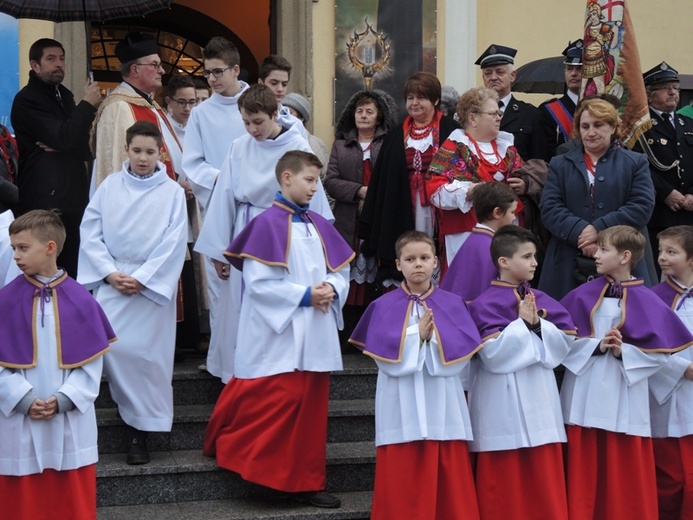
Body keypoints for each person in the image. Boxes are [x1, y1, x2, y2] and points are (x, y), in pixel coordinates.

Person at [204, 151, 352, 509]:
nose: (315, 187)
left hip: (315, 330)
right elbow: (258, 284)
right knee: (277, 403)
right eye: (309, 180)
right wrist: (305, 295)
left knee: (311, 413)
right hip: (279, 332)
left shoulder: (319, 224)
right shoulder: (265, 225)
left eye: (317, 181)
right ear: (286, 178)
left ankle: (306, 481)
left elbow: (340, 270)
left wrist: (333, 289)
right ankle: (267, 476)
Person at [193, 84, 333, 383]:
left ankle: (282, 370)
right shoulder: (239, 147)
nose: (252, 129)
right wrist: (220, 251)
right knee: (241, 305)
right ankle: (239, 374)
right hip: (247, 228)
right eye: (246, 122)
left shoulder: (297, 147)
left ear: (274, 114)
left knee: (280, 295)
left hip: (288, 234)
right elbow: (225, 196)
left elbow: (314, 199)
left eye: (258, 122)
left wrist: (320, 246)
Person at [559, 226, 693, 520]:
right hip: (586, 390)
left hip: (626, 393)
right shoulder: (580, 295)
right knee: (586, 464)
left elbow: (661, 355)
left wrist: (624, 351)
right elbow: (560, 343)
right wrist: (595, 346)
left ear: (625, 257)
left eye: (604, 250)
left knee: (625, 468)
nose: (597, 254)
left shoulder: (649, 300)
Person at [349, 230, 482, 519]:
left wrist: (430, 340)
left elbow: (459, 358)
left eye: (424, 258)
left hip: (442, 397)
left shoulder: (452, 304)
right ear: (398, 265)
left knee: (447, 465)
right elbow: (385, 361)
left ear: (436, 262)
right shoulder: (381, 306)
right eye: (410, 259)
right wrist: (416, 335)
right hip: (401, 398)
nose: (418, 264)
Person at [78, 121, 188, 465]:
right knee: (115, 350)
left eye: (150, 152)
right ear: (127, 150)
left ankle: (141, 431)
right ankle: (128, 422)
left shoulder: (171, 192)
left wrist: (141, 278)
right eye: (137, 151)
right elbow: (90, 232)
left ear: (161, 153)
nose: (143, 158)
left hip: (150, 288)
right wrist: (110, 273)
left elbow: (174, 242)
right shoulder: (110, 186)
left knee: (148, 359)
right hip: (114, 280)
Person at [0, 210, 114, 520]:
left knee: (70, 502)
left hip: (68, 421)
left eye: (23, 248)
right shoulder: (5, 301)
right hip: (18, 419)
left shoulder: (82, 300)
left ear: (50, 247)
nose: (16, 256)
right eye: (13, 249)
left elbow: (92, 364)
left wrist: (65, 399)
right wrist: (21, 398)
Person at [468, 225, 575, 520]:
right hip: (500, 399)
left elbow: (563, 345)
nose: (534, 263)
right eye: (527, 256)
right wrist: (522, 325)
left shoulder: (541, 298)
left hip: (539, 393)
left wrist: (537, 325)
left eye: (534, 257)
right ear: (503, 262)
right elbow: (491, 356)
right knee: (503, 484)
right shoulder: (483, 304)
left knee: (544, 477)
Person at [539, 97, 655, 300]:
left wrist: (598, 230)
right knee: (568, 322)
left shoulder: (635, 162)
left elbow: (642, 205)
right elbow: (549, 207)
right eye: (585, 126)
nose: (590, 132)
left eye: (598, 125)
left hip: (623, 258)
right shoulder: (560, 163)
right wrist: (580, 232)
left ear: (612, 127)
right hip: (568, 258)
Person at [11, 38, 102, 277]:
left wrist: (65, 142)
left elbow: (83, 147)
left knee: (71, 272)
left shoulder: (64, 95)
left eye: (61, 58)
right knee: (46, 271)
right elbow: (65, 138)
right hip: (45, 202)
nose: (59, 64)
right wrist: (88, 105)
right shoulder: (27, 100)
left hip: (73, 199)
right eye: (51, 59)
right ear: (35, 65)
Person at [359, 71, 459, 285]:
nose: (414, 103)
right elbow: (383, 181)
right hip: (403, 205)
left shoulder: (453, 131)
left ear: (436, 100)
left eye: (421, 97)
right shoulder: (395, 136)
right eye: (410, 98)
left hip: (440, 207)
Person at [426, 86, 530, 268]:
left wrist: (524, 184)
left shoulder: (507, 148)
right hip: (467, 230)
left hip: (507, 230)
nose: (499, 117)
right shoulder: (455, 147)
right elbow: (434, 190)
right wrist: (468, 191)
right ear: (472, 118)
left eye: (499, 113)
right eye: (493, 113)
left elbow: (523, 175)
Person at [324, 89, 397, 335]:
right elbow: (330, 181)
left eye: (369, 111)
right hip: (348, 222)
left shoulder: (389, 143)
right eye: (359, 111)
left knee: (376, 274)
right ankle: (347, 333)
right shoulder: (341, 145)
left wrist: (375, 195)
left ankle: (373, 333)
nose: (363, 116)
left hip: (378, 220)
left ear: (379, 117)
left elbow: (395, 180)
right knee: (349, 275)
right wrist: (360, 191)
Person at [91, 31, 183, 189]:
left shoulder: (151, 104)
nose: (162, 71)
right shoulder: (118, 107)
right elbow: (117, 165)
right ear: (135, 70)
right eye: (155, 65)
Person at [632, 62, 693, 276]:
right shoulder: (640, 127)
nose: (673, 92)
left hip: (688, 210)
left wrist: (691, 193)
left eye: (676, 88)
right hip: (659, 210)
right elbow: (638, 167)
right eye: (666, 88)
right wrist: (666, 193)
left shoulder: (688, 124)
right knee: (659, 270)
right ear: (649, 95)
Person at [650, 226, 693, 519]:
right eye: (660, 251)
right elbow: (640, 347)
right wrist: (681, 368)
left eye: (671, 252)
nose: (662, 258)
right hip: (670, 398)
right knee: (673, 479)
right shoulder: (652, 299)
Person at [183, 36, 249, 212]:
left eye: (218, 71)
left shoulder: (259, 103)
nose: (211, 78)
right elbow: (192, 162)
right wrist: (220, 178)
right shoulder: (200, 113)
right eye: (207, 72)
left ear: (235, 70)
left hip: (257, 198)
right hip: (219, 199)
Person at [441, 182, 518, 302]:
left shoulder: (474, 241)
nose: (514, 218)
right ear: (497, 213)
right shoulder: (490, 248)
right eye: (512, 212)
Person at [476, 44, 551, 162]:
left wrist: (527, 180)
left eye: (499, 72)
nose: (493, 77)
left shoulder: (531, 115)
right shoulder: (474, 114)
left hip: (516, 178)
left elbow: (540, 160)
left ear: (513, 76)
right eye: (488, 73)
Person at [540, 40, 583, 156]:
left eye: (579, 68)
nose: (573, 73)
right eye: (569, 68)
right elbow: (546, 153)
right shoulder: (548, 110)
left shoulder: (601, 106)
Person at [281, 92, 330, 177]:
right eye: (283, 112)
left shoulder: (314, 144)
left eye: (290, 112)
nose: (284, 116)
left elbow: (320, 175)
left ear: (300, 118)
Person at [257, 55, 306, 135]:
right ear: (261, 83)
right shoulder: (247, 120)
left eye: (284, 84)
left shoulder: (296, 124)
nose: (280, 89)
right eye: (274, 83)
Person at [164, 75, 197, 141]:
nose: (187, 108)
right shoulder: (162, 128)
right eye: (181, 102)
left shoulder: (200, 128)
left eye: (191, 102)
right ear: (169, 101)